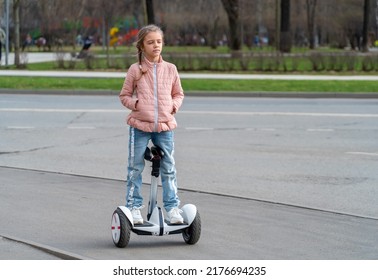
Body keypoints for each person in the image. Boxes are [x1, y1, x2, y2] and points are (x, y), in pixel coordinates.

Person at [119, 25, 185, 225]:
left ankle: (172, 207)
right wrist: (136, 104)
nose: (156, 45)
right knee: (135, 167)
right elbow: (124, 96)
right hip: (139, 126)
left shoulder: (170, 69)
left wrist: (173, 107)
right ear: (142, 46)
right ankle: (134, 207)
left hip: (164, 127)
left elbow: (178, 94)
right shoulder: (135, 70)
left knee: (169, 168)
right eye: (150, 42)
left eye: (159, 41)